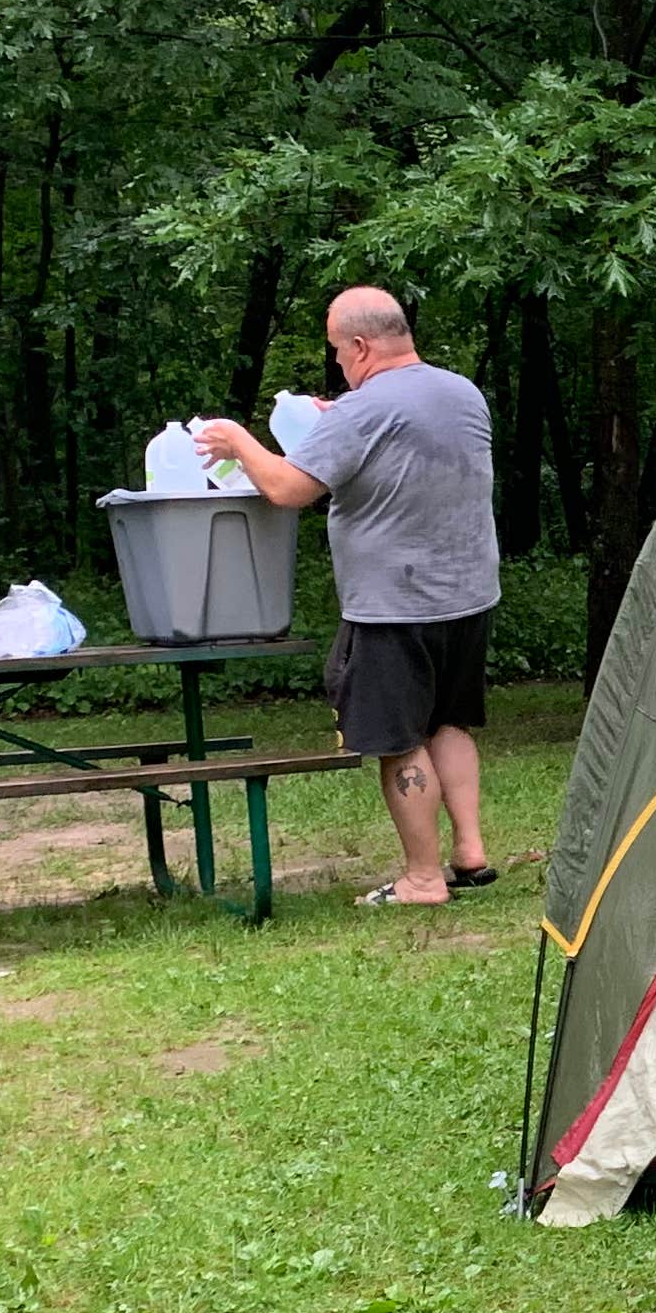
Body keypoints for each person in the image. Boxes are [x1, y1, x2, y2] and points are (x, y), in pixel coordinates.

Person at [192, 287, 501, 907]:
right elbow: (402, 441)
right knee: (449, 721)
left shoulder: (363, 411)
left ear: (360, 346)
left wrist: (240, 443)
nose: (337, 361)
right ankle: (469, 851)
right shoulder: (460, 392)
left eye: (337, 350)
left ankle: (422, 879)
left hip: (394, 606)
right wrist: (338, 416)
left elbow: (288, 490)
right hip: (469, 595)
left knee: (399, 739)